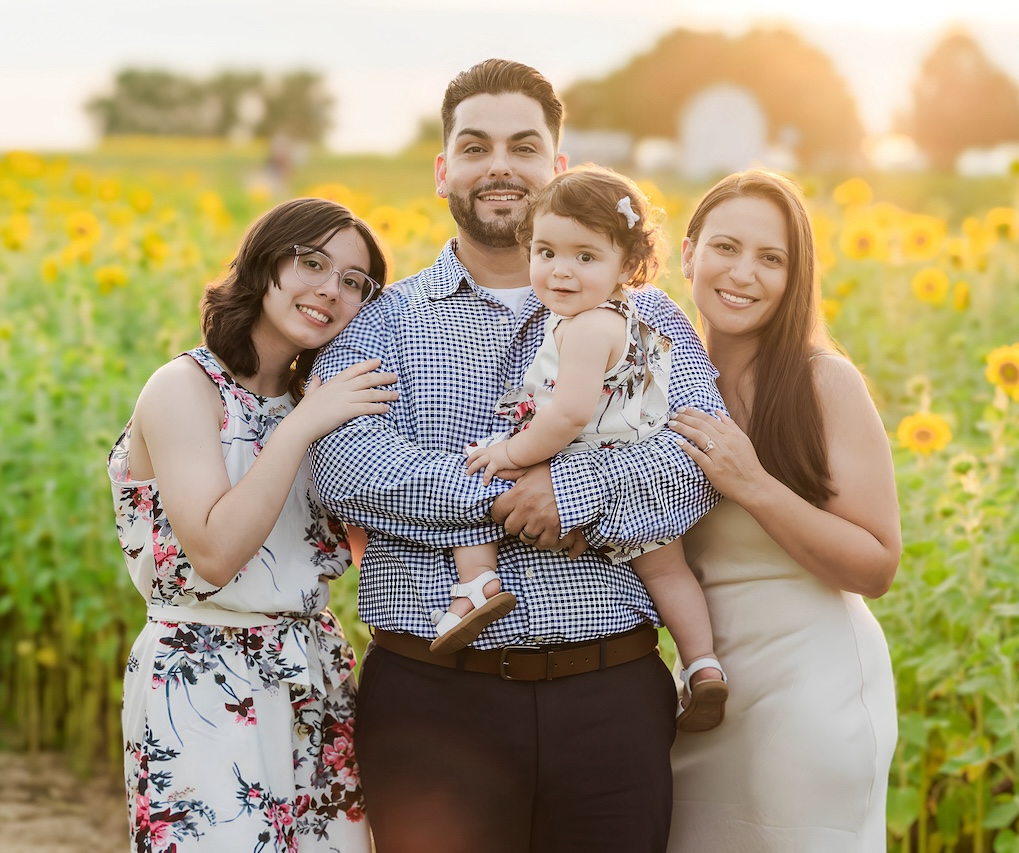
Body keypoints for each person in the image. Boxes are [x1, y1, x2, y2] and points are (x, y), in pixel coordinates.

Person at [310, 59, 723, 852]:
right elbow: (347, 466)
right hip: (433, 703)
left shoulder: (648, 314)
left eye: (523, 146)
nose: (499, 165)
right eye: (475, 146)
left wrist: (570, 490)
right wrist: (513, 498)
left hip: (608, 694)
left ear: (558, 168)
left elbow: (701, 453)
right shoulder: (383, 321)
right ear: (443, 171)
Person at [108, 198, 398, 852]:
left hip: (314, 675)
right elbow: (215, 552)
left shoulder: (321, 402)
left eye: (354, 281)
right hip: (204, 675)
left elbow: (368, 544)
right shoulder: (185, 388)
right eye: (313, 262)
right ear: (265, 263)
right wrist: (305, 425)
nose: (331, 289)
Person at [441, 165, 728, 732]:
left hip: (582, 449)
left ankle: (476, 585)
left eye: (585, 257)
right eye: (545, 252)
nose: (561, 271)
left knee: (479, 475)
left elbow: (569, 414)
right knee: (668, 573)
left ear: (627, 266)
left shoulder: (586, 328)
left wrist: (513, 453)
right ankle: (702, 664)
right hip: (630, 459)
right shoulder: (623, 316)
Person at [665, 169, 900, 852]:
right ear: (688, 254)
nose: (744, 273)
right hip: (703, 690)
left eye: (772, 259)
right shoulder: (654, 380)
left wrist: (754, 483)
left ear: (796, 277)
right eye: (727, 247)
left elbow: (877, 563)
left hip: (811, 688)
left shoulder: (823, 381)